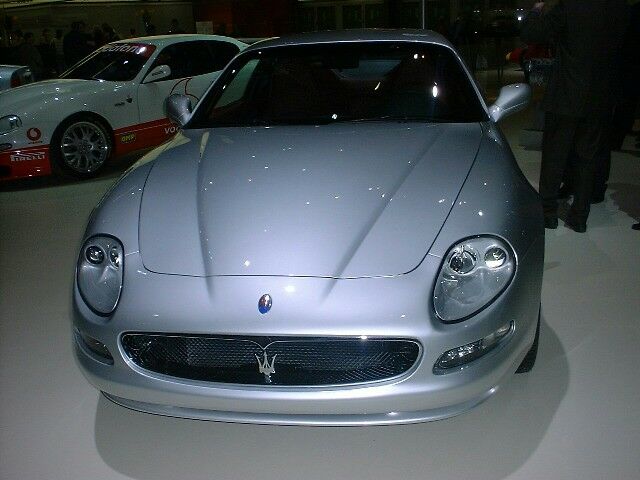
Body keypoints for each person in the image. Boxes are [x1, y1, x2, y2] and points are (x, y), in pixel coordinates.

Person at [521, 0, 629, 233]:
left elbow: (532, 33)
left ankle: (548, 213)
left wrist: (536, 10)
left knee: (554, 157)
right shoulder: (620, 8)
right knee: (587, 159)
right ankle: (579, 217)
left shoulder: (570, 6)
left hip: (566, 94)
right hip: (599, 96)